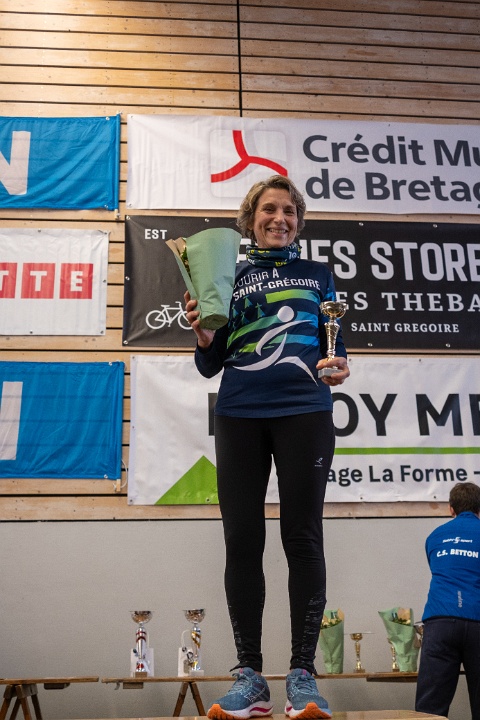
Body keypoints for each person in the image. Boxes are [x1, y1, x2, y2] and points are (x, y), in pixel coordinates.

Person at [185, 174, 349, 720]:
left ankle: (302, 675)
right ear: (250, 219)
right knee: (242, 541)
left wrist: (339, 365)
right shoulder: (228, 274)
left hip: (305, 412)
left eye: (289, 211)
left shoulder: (318, 275)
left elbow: (334, 346)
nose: (280, 218)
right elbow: (210, 362)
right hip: (239, 414)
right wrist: (204, 335)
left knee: (302, 536)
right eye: (269, 210)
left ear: (298, 222)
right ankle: (249, 677)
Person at [415, 481, 480, 720]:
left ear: (451, 508)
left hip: (440, 622)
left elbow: (438, 568)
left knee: (430, 709)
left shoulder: (435, 536)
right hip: (477, 620)